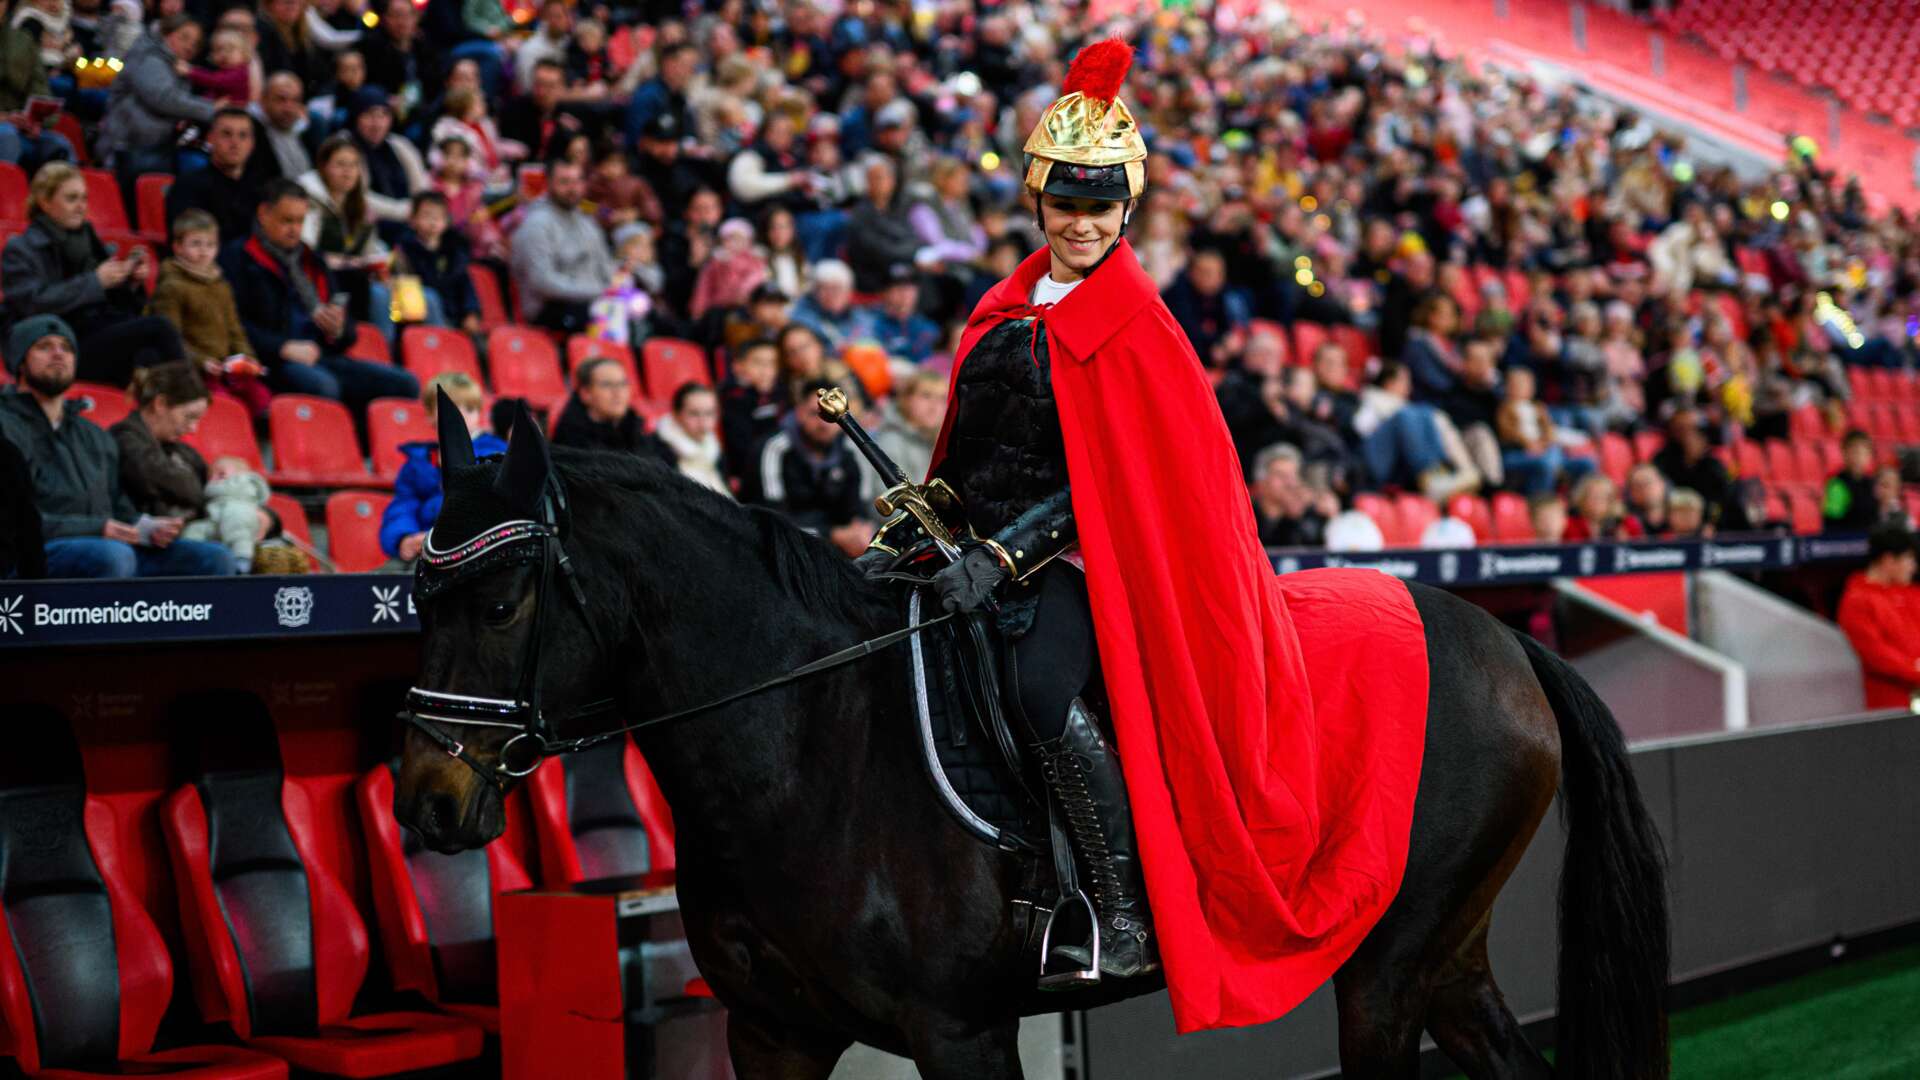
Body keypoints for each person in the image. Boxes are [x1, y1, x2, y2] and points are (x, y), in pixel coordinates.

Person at [915, 43, 1425, 1014]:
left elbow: (1118, 485)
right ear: (1039, 204)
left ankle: (1120, 912)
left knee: (1039, 684)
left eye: (1099, 207)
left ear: (1124, 210)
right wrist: (931, 519)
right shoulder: (1004, 308)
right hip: (974, 548)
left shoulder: (1138, 325)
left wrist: (1005, 554)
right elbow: (979, 450)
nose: (1081, 224)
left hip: (1074, 557)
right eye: (1066, 205)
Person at [0, 316, 234, 578]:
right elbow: (11, 522)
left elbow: (117, 505)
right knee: (113, 556)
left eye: (67, 348)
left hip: (106, 546)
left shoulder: (93, 434)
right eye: (44, 346)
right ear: (20, 360)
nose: (58, 354)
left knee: (213, 558)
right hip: (34, 554)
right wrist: (98, 528)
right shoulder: (5, 426)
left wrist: (146, 527)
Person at [223, 177, 419, 413]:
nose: (295, 229)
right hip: (273, 361)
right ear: (264, 214)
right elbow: (232, 324)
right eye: (287, 220)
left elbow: (347, 327)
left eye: (300, 221)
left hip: (322, 355)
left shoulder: (312, 259)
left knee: (406, 384)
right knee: (324, 386)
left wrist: (338, 329)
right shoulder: (238, 259)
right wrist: (282, 347)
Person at [3, 162, 187, 387]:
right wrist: (95, 282)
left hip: (96, 333)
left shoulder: (88, 239)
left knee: (150, 357)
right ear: (45, 202)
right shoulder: (21, 249)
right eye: (72, 198)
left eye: (84, 198)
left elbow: (121, 307)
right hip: (57, 345)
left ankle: (172, 415)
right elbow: (32, 304)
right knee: (159, 327)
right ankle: (190, 398)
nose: (81, 206)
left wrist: (131, 282)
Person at [147, 209, 270, 417]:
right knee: (223, 407)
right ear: (177, 247)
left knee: (262, 398)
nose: (204, 251)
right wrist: (201, 361)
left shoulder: (221, 285)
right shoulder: (172, 287)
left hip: (227, 369)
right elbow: (170, 338)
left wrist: (246, 358)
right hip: (195, 372)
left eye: (210, 245)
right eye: (196, 244)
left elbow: (235, 330)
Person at [380, 372, 504, 560]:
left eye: (470, 409)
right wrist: (404, 538)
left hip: (477, 552)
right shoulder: (418, 462)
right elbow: (403, 506)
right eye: (452, 408)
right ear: (430, 414)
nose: (461, 416)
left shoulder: (495, 455)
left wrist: (435, 537)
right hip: (424, 554)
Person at [755, 377, 872, 554]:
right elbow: (772, 521)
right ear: (799, 413)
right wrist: (832, 535)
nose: (824, 424)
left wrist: (859, 531)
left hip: (838, 550)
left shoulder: (850, 451)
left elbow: (860, 510)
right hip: (782, 550)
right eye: (815, 414)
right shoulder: (776, 449)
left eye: (831, 416)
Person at [96, 14, 217, 188]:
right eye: (184, 37)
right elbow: (164, 99)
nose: (190, 46)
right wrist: (213, 110)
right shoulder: (149, 57)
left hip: (158, 147)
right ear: (166, 33)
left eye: (196, 43)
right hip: (129, 146)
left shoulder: (176, 65)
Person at [510, 158, 615, 334]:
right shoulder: (536, 224)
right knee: (603, 320)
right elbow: (542, 282)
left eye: (577, 181)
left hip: (592, 302)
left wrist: (618, 287)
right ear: (549, 183)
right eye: (564, 182)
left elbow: (606, 270)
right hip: (550, 310)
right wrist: (597, 292)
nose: (572, 189)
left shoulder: (588, 223)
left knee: (646, 317)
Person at [1836, 523, 1920, 711]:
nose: (1913, 567)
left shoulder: (1911, 593)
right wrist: (1915, 671)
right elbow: (1878, 656)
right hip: (1890, 707)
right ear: (1888, 560)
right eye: (1909, 559)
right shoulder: (1857, 601)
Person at [165, 107, 270, 243]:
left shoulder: (262, 186)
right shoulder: (188, 186)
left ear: (252, 143)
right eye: (226, 134)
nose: (235, 143)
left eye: (243, 135)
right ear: (210, 139)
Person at [393, 191, 481, 334]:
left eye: (439, 217)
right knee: (430, 298)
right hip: (419, 320)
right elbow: (404, 291)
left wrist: (470, 312)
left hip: (454, 316)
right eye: (426, 216)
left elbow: (465, 285)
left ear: (447, 221)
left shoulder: (454, 251)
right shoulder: (404, 250)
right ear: (412, 219)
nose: (433, 222)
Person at [551, 356, 661, 455]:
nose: (618, 392)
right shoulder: (572, 440)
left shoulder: (635, 424)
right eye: (607, 385)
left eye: (623, 383)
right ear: (585, 394)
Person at [719, 336, 783, 493]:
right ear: (738, 366)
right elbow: (740, 447)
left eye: (772, 364)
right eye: (758, 363)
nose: (766, 370)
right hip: (751, 475)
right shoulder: (731, 398)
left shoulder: (783, 394)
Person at [851, 263, 940, 367]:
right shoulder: (869, 322)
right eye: (898, 288)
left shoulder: (928, 327)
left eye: (910, 288)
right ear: (884, 292)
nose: (905, 294)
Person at [1250, 443, 1333, 548]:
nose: (1289, 483)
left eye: (1293, 475)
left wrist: (1330, 519)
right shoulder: (1246, 515)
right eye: (1280, 475)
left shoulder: (1310, 515)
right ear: (1261, 481)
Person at [655, 382, 729, 496]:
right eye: (694, 414)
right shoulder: (658, 453)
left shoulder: (716, 452)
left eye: (709, 413)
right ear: (676, 415)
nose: (703, 422)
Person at [788, 259, 859, 351]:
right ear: (815, 292)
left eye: (837, 288)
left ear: (849, 292)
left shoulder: (863, 320)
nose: (831, 294)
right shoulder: (802, 321)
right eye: (824, 289)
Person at [1823, 429, 1881, 532]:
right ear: (1844, 453)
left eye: (1863, 452)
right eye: (1854, 451)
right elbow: (1831, 524)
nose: (1858, 457)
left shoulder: (1873, 484)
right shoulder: (1837, 485)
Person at [1563, 472, 1644, 541]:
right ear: (1582, 498)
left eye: (1603, 496)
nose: (1598, 501)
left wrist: (1625, 543)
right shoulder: (1569, 525)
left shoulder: (1626, 524)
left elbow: (1640, 549)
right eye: (1593, 496)